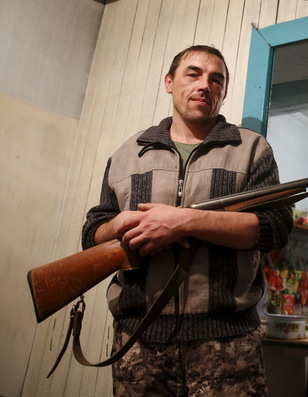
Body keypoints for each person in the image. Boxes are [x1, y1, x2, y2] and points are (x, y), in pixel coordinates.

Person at [81, 45, 292, 396]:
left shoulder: (252, 148)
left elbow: (275, 227)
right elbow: (92, 234)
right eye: (193, 74)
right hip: (138, 338)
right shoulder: (127, 153)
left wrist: (183, 222)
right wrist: (120, 225)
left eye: (216, 79)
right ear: (169, 82)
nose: (205, 85)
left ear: (223, 92)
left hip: (228, 342)